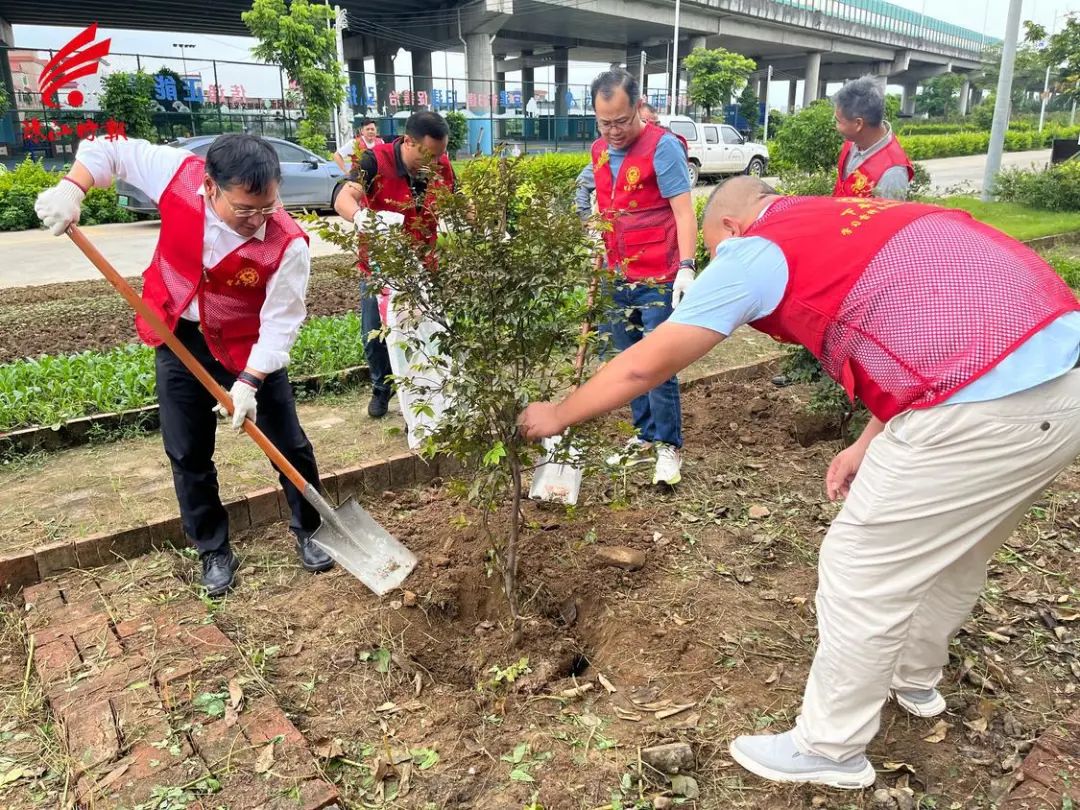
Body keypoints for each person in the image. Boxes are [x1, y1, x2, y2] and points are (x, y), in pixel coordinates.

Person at [519, 176, 1080, 789]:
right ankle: (914, 679)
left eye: (711, 249)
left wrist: (558, 414)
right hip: (1059, 378)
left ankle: (831, 748)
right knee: (962, 548)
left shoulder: (754, 248)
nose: (717, 263)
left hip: (977, 411)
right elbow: (944, 327)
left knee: (861, 567)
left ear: (729, 227)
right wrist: (870, 441)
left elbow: (648, 361)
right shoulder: (858, 215)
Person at [34, 133, 336, 596]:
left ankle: (311, 528)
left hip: (246, 345)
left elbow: (282, 322)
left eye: (268, 207)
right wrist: (72, 188)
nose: (257, 220)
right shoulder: (178, 173)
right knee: (187, 451)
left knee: (289, 444)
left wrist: (250, 384)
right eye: (245, 210)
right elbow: (108, 149)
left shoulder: (289, 244)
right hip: (179, 336)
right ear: (210, 187)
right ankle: (213, 549)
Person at [575, 70, 697, 485]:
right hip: (616, 273)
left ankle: (669, 446)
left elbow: (684, 210)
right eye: (604, 122)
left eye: (621, 121)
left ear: (638, 107)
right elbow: (601, 201)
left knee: (657, 365)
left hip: (660, 275)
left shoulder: (662, 148)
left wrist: (687, 265)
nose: (613, 131)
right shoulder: (597, 150)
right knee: (626, 361)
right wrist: (593, 226)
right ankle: (644, 435)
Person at [333, 111, 456, 424]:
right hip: (380, 265)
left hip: (423, 265)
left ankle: (420, 397)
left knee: (423, 332)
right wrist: (361, 218)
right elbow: (343, 196)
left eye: (440, 155)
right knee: (375, 333)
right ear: (408, 141)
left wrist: (477, 224)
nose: (435, 162)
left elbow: (456, 200)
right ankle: (380, 388)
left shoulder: (441, 165)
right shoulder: (375, 161)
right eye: (428, 154)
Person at [833, 76, 913, 199]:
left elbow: (886, 216)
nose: (836, 126)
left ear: (858, 124)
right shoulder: (854, 141)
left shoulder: (892, 173)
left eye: (838, 121)